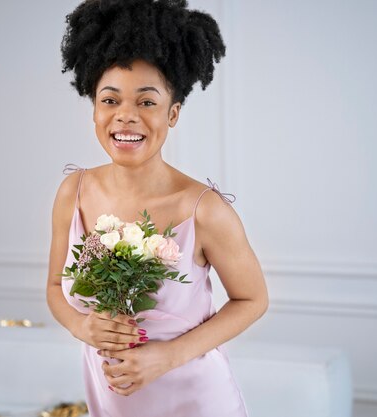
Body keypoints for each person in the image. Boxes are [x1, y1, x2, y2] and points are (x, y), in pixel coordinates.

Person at [46, 1, 268, 415]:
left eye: (146, 102)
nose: (125, 117)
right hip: (112, 398)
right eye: (110, 100)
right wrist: (82, 325)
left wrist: (168, 356)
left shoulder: (204, 210)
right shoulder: (71, 193)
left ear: (174, 112)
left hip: (195, 399)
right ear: (94, 108)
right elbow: (55, 289)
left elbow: (252, 300)